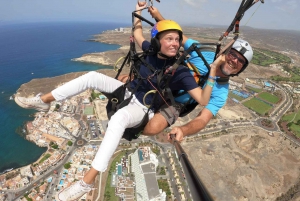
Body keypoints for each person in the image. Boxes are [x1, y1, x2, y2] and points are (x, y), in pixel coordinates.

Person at [14, 2, 224, 200]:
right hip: (127, 92)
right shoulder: (150, 52)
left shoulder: (180, 71)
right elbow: (137, 33)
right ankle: (44, 100)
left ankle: (86, 182)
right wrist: (138, 11)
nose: (175, 43)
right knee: (92, 77)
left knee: (119, 118)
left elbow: (203, 99)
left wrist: (213, 72)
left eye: (177, 40)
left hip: (143, 108)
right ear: (158, 41)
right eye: (169, 39)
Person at [142, 6, 254, 142]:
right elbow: (177, 37)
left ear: (241, 68)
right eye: (232, 54)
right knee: (126, 81)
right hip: (164, 78)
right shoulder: (204, 51)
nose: (234, 60)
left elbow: (202, 119)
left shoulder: (221, 92)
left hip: (175, 102)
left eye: (240, 60)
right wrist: (157, 15)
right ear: (225, 53)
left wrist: (183, 130)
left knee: (151, 129)